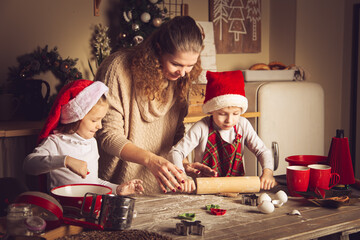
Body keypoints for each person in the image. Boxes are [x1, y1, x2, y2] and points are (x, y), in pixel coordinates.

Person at [94, 16, 209, 194]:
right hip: (118, 187)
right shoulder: (117, 68)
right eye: (176, 64)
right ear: (158, 49)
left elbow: (176, 133)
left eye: (190, 66)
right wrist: (151, 160)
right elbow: (107, 135)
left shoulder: (182, 78)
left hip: (161, 187)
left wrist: (183, 163)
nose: (183, 72)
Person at [23, 80, 144, 195]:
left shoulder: (91, 143)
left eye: (101, 120)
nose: (100, 126)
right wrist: (65, 161)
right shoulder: (56, 142)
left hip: (88, 209)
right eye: (94, 120)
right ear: (75, 117)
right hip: (62, 209)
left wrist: (117, 189)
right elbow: (28, 165)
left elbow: (93, 183)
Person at [167, 70, 277, 190]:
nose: (229, 120)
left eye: (235, 114)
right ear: (211, 110)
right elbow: (176, 152)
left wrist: (268, 173)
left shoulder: (243, 125)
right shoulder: (201, 127)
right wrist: (183, 176)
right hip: (205, 189)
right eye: (222, 114)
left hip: (237, 189)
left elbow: (262, 151)